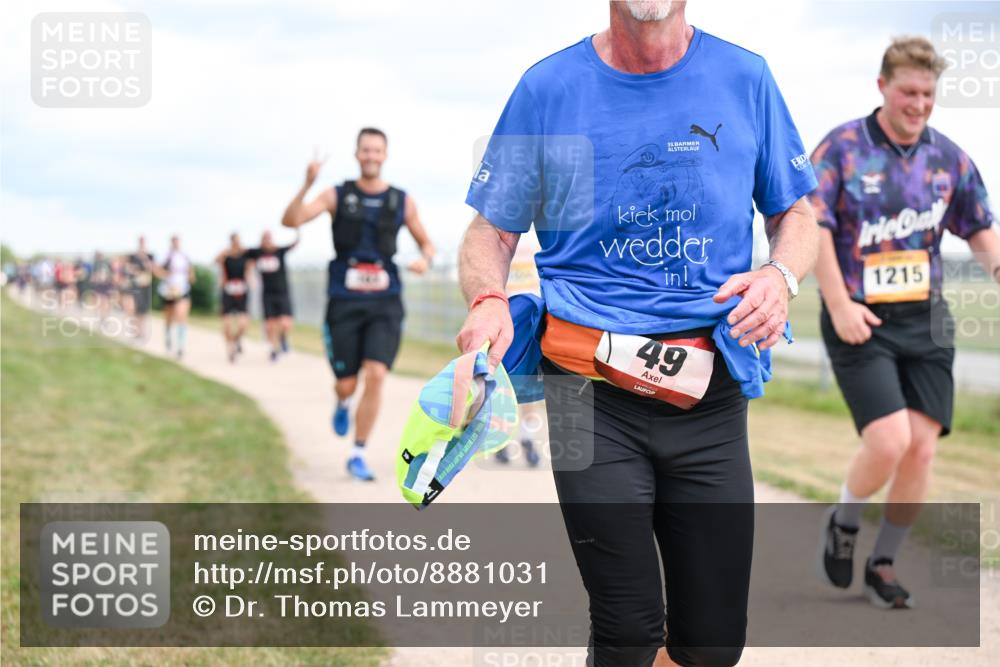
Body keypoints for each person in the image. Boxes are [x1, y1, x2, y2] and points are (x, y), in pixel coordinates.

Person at [456, 2, 819, 665]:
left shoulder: (745, 78)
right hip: (585, 390)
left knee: (711, 643)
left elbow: (796, 211)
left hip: (709, 396)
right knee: (626, 629)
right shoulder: (549, 88)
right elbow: (491, 228)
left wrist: (779, 276)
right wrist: (487, 298)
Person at [810, 36, 1000, 610]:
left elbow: (978, 227)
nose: (919, 104)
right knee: (889, 439)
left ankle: (884, 562)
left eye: (928, 94)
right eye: (908, 92)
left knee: (921, 449)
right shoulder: (841, 149)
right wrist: (840, 304)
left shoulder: (950, 158)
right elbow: (813, 227)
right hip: (860, 318)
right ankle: (845, 522)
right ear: (882, 88)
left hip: (927, 320)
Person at [281, 129, 435, 482]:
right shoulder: (337, 194)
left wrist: (425, 260)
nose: (371, 156)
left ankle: (358, 452)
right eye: (365, 150)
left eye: (377, 150)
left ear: (385, 155)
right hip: (345, 302)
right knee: (347, 384)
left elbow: (426, 244)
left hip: (385, 302)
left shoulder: (402, 201)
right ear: (357, 154)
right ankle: (342, 401)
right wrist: (306, 184)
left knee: (377, 374)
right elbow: (291, 221)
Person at [245, 230, 298, 362]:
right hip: (267, 294)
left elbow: (294, 245)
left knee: (286, 323)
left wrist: (297, 230)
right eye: (265, 238)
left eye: (269, 238)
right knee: (271, 324)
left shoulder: (279, 251)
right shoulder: (257, 253)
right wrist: (249, 278)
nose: (267, 241)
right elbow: (242, 255)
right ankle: (275, 350)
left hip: (282, 292)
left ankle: (283, 338)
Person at [156, 235, 195, 360]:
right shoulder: (166, 256)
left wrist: (190, 277)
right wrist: (166, 274)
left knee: (181, 316)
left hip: (182, 290)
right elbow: (157, 270)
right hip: (169, 291)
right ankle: (168, 338)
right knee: (169, 317)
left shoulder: (185, 256)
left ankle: (180, 347)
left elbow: (191, 272)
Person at [216, 233, 252, 363]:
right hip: (228, 292)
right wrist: (226, 251)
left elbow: (250, 267)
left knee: (243, 324)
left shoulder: (245, 256)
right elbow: (215, 260)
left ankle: (237, 340)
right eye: (234, 241)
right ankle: (230, 350)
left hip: (242, 292)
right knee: (226, 324)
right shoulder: (225, 256)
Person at [123, 236, 155, 339]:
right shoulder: (132, 256)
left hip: (145, 286)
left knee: (143, 311)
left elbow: (152, 269)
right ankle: (135, 330)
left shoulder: (149, 255)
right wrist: (134, 270)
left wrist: (145, 259)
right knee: (134, 309)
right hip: (135, 286)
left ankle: (141, 331)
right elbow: (127, 268)